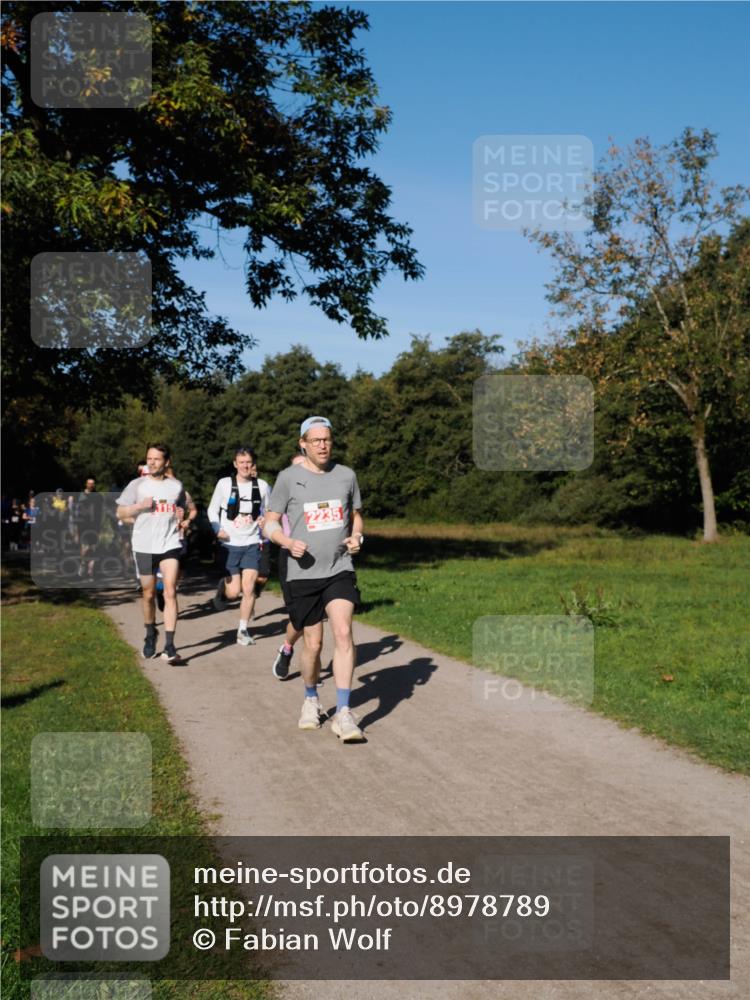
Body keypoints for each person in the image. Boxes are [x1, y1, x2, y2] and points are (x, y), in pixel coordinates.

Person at [263, 416, 365, 741]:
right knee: (314, 643)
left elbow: (356, 514)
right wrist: (286, 542)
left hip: (339, 568)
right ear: (303, 444)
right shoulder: (288, 478)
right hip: (303, 573)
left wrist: (357, 537)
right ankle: (310, 698)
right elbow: (269, 522)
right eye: (316, 440)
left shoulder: (346, 475)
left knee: (344, 632)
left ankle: (344, 713)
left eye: (327, 439)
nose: (323, 445)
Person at [116, 444, 188, 663]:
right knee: (148, 594)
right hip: (144, 545)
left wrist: (181, 515)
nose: (152, 462)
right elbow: (120, 511)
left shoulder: (176, 486)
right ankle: (150, 634)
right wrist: (138, 507)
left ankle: (170, 645)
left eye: (157, 459)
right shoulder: (137, 485)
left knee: (169, 591)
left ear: (166, 462)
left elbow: (182, 509)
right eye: (149, 458)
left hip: (169, 543)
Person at [208, 447, 271, 645]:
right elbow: (212, 510)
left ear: (253, 464)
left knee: (249, 588)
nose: (245, 465)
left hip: (252, 542)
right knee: (234, 592)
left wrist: (265, 521)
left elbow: (270, 511)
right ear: (235, 464)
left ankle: (243, 630)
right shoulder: (224, 484)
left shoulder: (262, 486)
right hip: (229, 544)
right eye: (241, 462)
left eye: (248, 462)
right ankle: (223, 589)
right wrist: (218, 529)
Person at [270, 454, 306, 680]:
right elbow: (270, 520)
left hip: (318, 557)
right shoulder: (284, 491)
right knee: (300, 616)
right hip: (290, 556)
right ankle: (287, 648)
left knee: (315, 622)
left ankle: (311, 672)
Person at [73, 477, 104, 579]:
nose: (91, 485)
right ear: (86, 484)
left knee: (93, 549)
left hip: (95, 526)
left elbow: (100, 513)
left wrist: (100, 526)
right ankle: (82, 565)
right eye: (89, 483)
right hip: (83, 526)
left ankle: (91, 572)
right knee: (85, 548)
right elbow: (76, 512)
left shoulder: (98, 497)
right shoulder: (80, 496)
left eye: (93, 483)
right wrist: (75, 527)